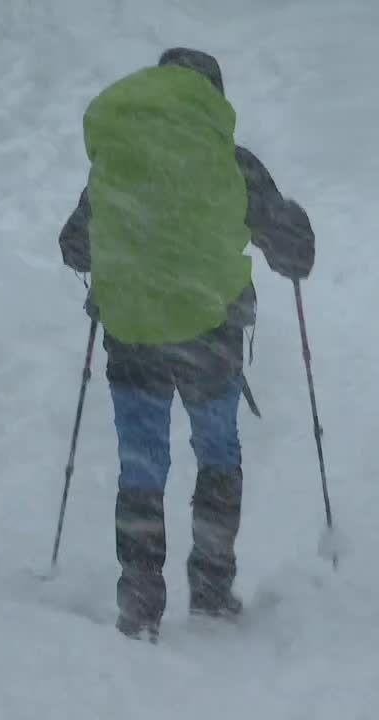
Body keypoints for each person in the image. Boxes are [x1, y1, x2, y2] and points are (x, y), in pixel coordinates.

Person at [58, 47, 316, 640]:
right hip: (210, 334)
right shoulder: (231, 162)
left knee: (142, 465)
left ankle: (140, 602)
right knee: (218, 454)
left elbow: (74, 246)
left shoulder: (116, 165)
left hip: (132, 335)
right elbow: (292, 252)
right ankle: (213, 588)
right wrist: (294, 229)